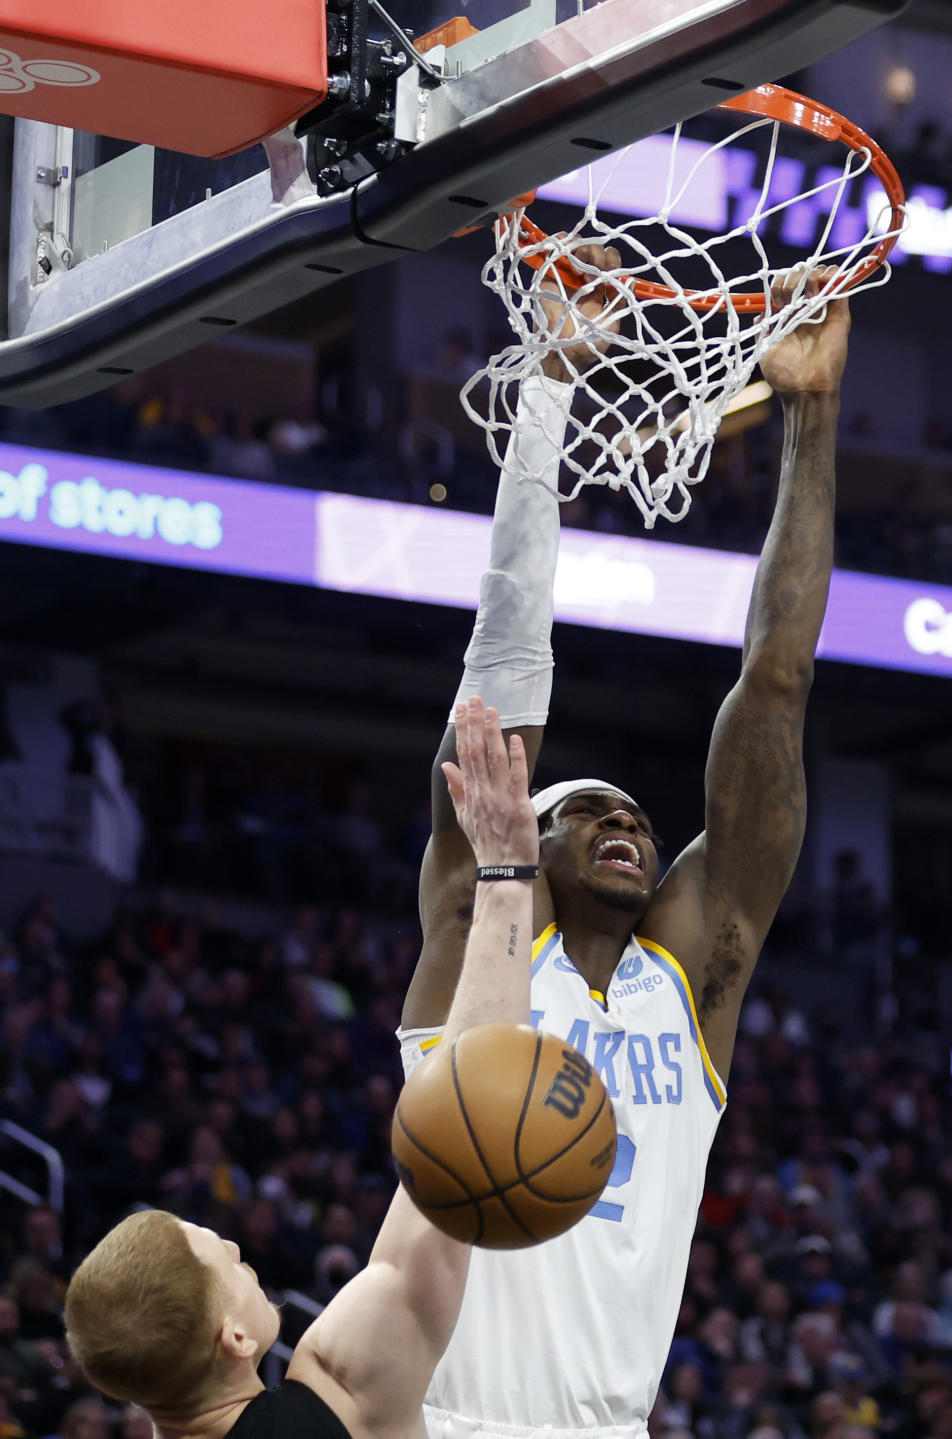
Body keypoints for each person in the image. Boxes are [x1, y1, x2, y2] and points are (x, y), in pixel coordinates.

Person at [400, 247, 852, 1438]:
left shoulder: (689, 981)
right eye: (580, 810)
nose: (621, 820)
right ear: (520, 846)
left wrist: (814, 415)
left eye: (638, 817)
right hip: (448, 1416)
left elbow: (778, 683)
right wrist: (546, 386)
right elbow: (499, 667)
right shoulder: (480, 943)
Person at [63, 698, 540, 1439]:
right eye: (224, 1258)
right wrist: (507, 871)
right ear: (236, 1339)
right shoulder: (335, 1397)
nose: (234, 1245)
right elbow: (464, 1137)